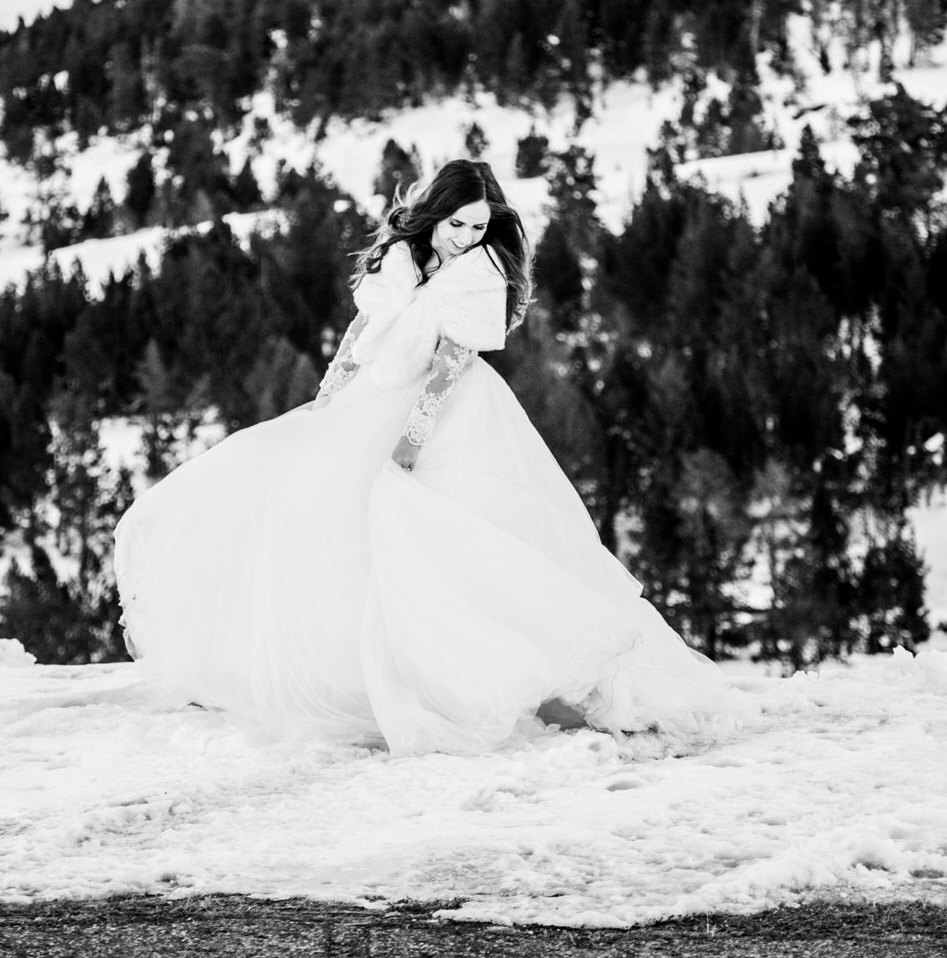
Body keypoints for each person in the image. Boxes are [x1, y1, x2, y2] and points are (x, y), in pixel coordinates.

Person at [114, 159, 740, 754]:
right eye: (457, 223)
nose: (468, 236)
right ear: (434, 214)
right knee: (314, 508)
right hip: (375, 393)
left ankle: (489, 678)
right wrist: (327, 397)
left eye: (479, 225)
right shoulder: (402, 256)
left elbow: (453, 363)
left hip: (447, 411)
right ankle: (343, 675)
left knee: (443, 537)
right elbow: (362, 332)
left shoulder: (481, 272)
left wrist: (412, 439)